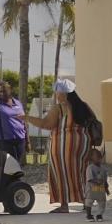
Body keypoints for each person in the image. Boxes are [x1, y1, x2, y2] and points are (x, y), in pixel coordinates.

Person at [17, 79, 96, 213]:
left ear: (64, 93)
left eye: (57, 92)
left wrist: (26, 118)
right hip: (83, 145)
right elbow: (93, 122)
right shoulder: (84, 106)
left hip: (63, 146)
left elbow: (46, 124)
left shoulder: (60, 108)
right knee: (81, 172)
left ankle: (64, 205)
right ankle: (85, 202)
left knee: (62, 173)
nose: (56, 95)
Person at [84, 148, 109, 222]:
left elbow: (105, 180)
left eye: (99, 157)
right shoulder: (90, 168)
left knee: (102, 203)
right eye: (96, 157)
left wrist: (106, 188)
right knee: (89, 202)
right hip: (91, 190)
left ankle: (99, 215)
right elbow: (90, 179)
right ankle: (89, 215)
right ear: (91, 159)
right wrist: (97, 182)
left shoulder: (103, 169)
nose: (99, 159)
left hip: (101, 190)